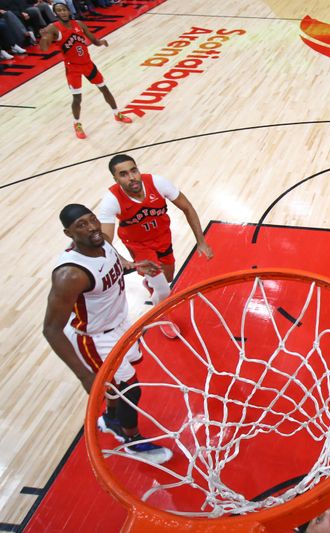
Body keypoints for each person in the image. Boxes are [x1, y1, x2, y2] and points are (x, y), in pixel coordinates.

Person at [42, 204, 173, 464]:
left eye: (92, 219)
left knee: (124, 379)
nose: (91, 227)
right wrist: (85, 375)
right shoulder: (70, 274)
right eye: (81, 225)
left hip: (118, 323)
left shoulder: (101, 241)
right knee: (130, 389)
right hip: (93, 338)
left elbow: (115, 264)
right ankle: (131, 440)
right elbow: (51, 329)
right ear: (69, 233)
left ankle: (112, 419)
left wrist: (135, 266)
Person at [98, 153, 214, 338]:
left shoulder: (158, 183)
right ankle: (162, 316)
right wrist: (122, 259)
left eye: (133, 170)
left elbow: (187, 207)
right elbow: (103, 239)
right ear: (116, 178)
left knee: (167, 277)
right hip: (138, 245)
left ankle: (149, 282)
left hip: (162, 237)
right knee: (164, 291)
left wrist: (201, 241)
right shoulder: (111, 200)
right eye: (124, 174)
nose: (132, 177)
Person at [37, 0, 131, 139]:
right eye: (59, 10)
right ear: (55, 13)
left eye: (64, 9)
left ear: (69, 10)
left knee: (104, 89)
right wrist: (44, 37)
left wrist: (100, 42)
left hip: (88, 64)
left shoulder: (79, 24)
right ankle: (77, 124)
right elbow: (44, 48)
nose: (62, 12)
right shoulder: (53, 28)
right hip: (72, 67)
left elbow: (93, 40)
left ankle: (117, 113)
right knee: (77, 98)